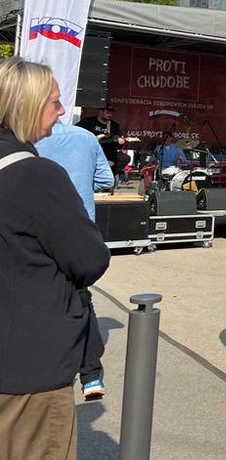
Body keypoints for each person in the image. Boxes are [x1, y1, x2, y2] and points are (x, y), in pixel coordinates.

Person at [0, 58, 110, 459]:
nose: (62, 112)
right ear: (26, 106)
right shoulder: (36, 175)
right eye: (54, 102)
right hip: (29, 366)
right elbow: (90, 260)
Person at [36, 121, 115, 401]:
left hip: (37, 231)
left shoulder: (25, 138)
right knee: (80, 296)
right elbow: (107, 181)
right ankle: (91, 374)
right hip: (81, 228)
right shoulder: (86, 137)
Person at [77, 103, 129, 177]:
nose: (110, 115)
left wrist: (120, 141)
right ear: (101, 112)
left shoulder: (114, 125)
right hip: (90, 152)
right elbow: (76, 131)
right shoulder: (88, 122)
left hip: (108, 154)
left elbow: (117, 142)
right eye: (107, 112)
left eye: (111, 113)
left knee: (125, 158)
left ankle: (109, 176)